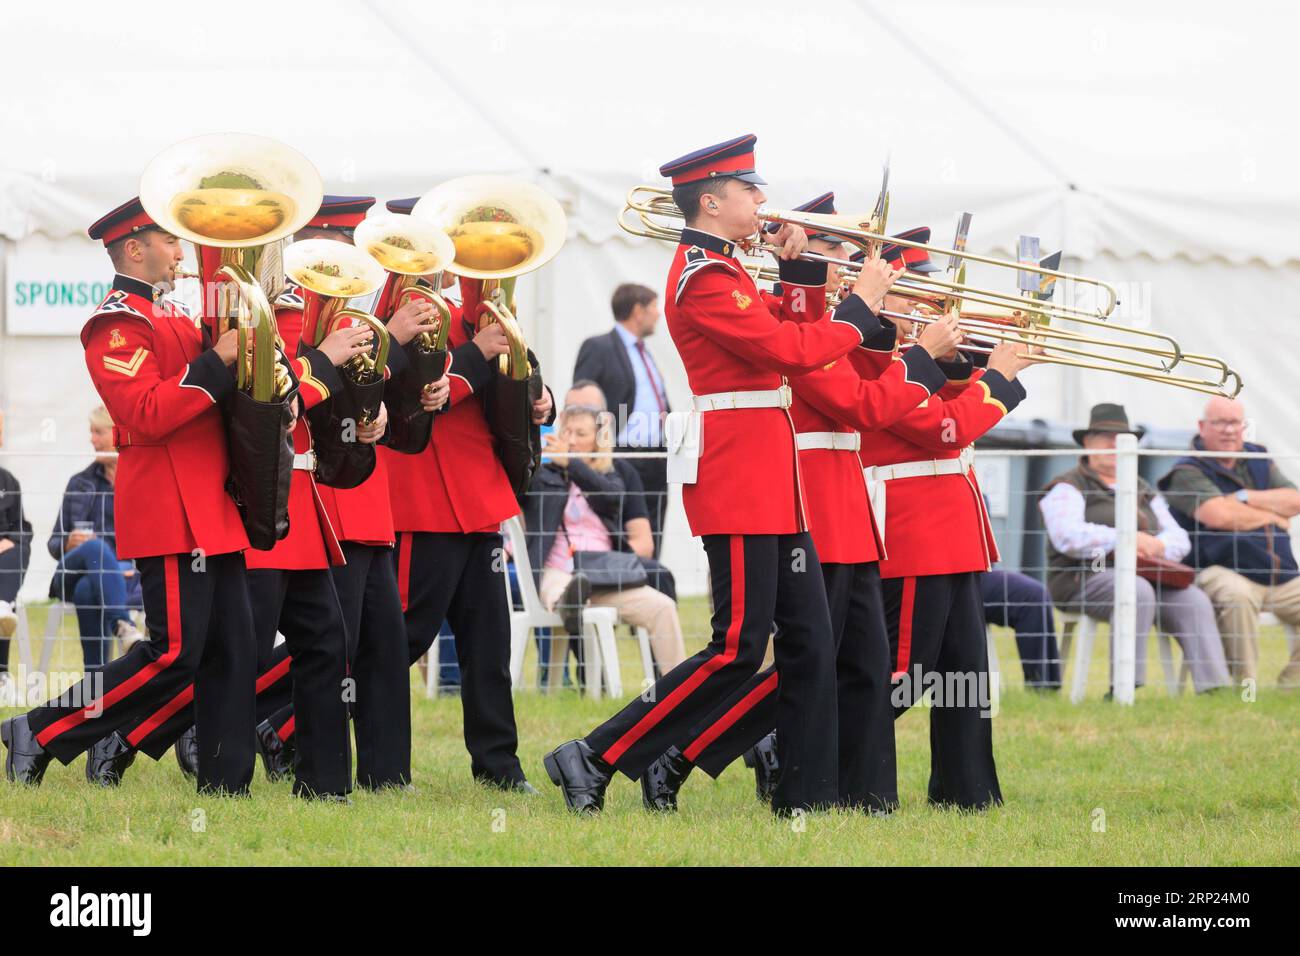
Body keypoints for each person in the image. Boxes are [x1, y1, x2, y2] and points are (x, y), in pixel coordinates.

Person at [543, 134, 915, 816]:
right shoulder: (703, 276)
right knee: (737, 649)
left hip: (774, 479)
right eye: (751, 191)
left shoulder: (730, 268)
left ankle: (807, 796)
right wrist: (859, 306)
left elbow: (788, 333)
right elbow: (789, 352)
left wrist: (803, 277)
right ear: (712, 202)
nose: (763, 201)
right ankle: (595, 754)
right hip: (742, 478)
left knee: (810, 644)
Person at [636, 193, 956, 814]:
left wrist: (890, 325)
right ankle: (681, 753)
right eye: (836, 252)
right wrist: (909, 348)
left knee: (858, 662)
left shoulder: (776, 294)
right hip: (802, 487)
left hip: (837, 498)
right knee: (786, 657)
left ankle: (859, 796)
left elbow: (853, 363)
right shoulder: (725, 286)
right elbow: (857, 399)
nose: (851, 266)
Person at [110, 196, 387, 799]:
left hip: (298, 495)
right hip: (253, 493)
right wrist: (326, 361)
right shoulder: (242, 314)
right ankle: (142, 744)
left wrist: (369, 411)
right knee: (229, 654)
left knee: (320, 642)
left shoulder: (289, 309)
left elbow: (302, 400)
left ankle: (324, 785)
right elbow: (274, 407)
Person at [2, 197, 258, 794]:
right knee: (173, 654)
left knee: (232, 649)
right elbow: (143, 414)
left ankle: (225, 782)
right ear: (135, 248)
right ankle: (38, 731)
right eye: (170, 241)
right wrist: (216, 363)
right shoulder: (116, 323)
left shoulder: (171, 314)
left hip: (212, 506)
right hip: (172, 508)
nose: (181, 252)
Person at [380, 196, 555, 795]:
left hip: (476, 499)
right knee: (401, 637)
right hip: (422, 498)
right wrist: (479, 355)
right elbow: (421, 391)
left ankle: (499, 767)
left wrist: (541, 395)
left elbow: (516, 368)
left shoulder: (467, 309)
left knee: (488, 644)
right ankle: (288, 721)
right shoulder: (397, 311)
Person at [1039, 403, 1231, 694]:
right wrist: (1126, 539)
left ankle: (1214, 688)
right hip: (1083, 578)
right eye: (1106, 438)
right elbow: (1068, 537)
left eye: (1120, 439)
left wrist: (1156, 545)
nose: (1114, 445)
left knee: (1193, 599)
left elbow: (1179, 540)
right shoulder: (1067, 486)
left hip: (1148, 576)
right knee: (1135, 589)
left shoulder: (1142, 489)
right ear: (1088, 443)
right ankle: (1125, 688)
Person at [524, 402, 687, 680]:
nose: (572, 440)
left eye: (581, 434)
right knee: (562, 588)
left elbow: (612, 498)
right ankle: (570, 603)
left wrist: (573, 465)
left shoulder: (611, 476)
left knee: (663, 607)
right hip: (557, 570)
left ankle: (680, 689)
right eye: (568, 432)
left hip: (602, 575)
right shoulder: (543, 476)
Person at [1159, 396, 1300, 687]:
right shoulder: (1186, 471)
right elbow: (1218, 516)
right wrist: (1273, 517)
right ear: (1202, 426)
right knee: (1236, 595)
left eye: (1234, 422)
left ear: (1243, 426)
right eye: (1220, 422)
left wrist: (1246, 498)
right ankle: (1243, 689)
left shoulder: (1258, 458)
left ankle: (1292, 687)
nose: (1228, 430)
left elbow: (1295, 500)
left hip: (1278, 573)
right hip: (1220, 570)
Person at [573, 284, 672, 555]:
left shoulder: (645, 353)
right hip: (621, 456)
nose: (658, 314)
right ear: (638, 311)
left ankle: (649, 586)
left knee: (653, 534)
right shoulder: (599, 347)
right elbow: (581, 397)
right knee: (620, 531)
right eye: (654, 307)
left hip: (656, 458)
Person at [46, 406, 145, 674]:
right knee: (96, 548)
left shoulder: (141, 482)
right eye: (91, 432)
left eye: (98, 432)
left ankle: (95, 686)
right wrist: (68, 543)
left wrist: (130, 568)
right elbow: (53, 544)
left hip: (128, 579)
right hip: (72, 572)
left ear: (116, 434)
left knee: (89, 589)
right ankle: (123, 625)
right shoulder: (79, 483)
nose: (92, 439)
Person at [981, 569, 1061, 690]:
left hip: (977, 570)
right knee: (1032, 597)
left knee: (1037, 594)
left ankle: (1046, 686)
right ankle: (1039, 685)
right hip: (956, 576)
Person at [0, 408, 33, 703]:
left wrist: (9, 540)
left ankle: (1, 606)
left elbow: (22, 529)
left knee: (20, 548)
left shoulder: (7, 480)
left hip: (3, 562)